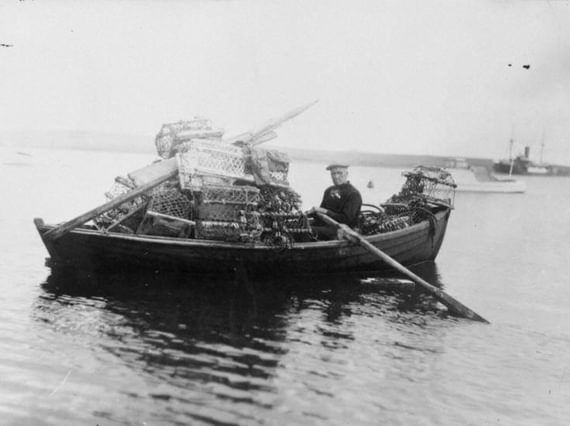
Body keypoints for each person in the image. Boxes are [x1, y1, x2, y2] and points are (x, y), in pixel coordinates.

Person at [307, 163, 362, 240]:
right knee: (298, 227)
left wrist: (325, 211)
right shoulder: (328, 190)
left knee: (306, 231)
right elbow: (320, 215)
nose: (336, 177)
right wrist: (310, 213)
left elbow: (346, 220)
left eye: (339, 173)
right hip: (326, 226)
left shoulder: (353, 194)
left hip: (343, 230)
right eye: (333, 174)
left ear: (346, 174)